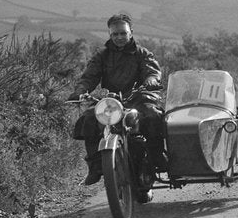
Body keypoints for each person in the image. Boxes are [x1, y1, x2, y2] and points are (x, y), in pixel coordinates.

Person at [70, 12, 167, 185]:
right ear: (110, 34)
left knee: (153, 116)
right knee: (90, 119)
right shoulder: (102, 56)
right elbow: (89, 77)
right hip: (113, 100)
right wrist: (80, 90)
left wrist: (151, 81)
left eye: (123, 33)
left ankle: (157, 156)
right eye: (115, 34)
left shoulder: (142, 53)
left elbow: (152, 71)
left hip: (140, 96)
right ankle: (95, 166)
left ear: (131, 32)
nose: (119, 37)